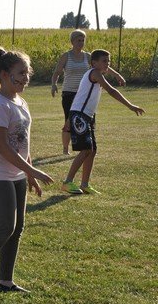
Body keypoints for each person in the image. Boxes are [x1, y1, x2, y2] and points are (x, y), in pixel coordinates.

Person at [0, 48, 54, 298]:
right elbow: (3, 147)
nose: (26, 78)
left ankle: (5, 280)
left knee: (17, 228)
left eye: (27, 73)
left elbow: (22, 141)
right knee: (5, 226)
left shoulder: (21, 102)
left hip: (16, 172)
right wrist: (32, 170)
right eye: (20, 73)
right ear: (4, 75)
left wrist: (28, 173)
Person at [61, 50, 145, 195]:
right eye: (104, 61)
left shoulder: (95, 72)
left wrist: (116, 74)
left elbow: (80, 96)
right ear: (94, 63)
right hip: (80, 116)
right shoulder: (95, 73)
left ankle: (85, 184)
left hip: (86, 116)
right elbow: (112, 91)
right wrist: (131, 106)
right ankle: (67, 182)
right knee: (86, 149)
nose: (107, 64)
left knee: (92, 151)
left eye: (109, 61)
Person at [51, 30, 126, 154]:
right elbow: (57, 72)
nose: (81, 43)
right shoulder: (66, 56)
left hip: (85, 94)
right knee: (69, 120)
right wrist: (54, 84)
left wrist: (117, 75)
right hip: (69, 92)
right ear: (72, 42)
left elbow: (104, 66)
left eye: (82, 40)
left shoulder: (87, 56)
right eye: (78, 40)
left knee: (89, 119)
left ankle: (88, 145)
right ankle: (65, 148)